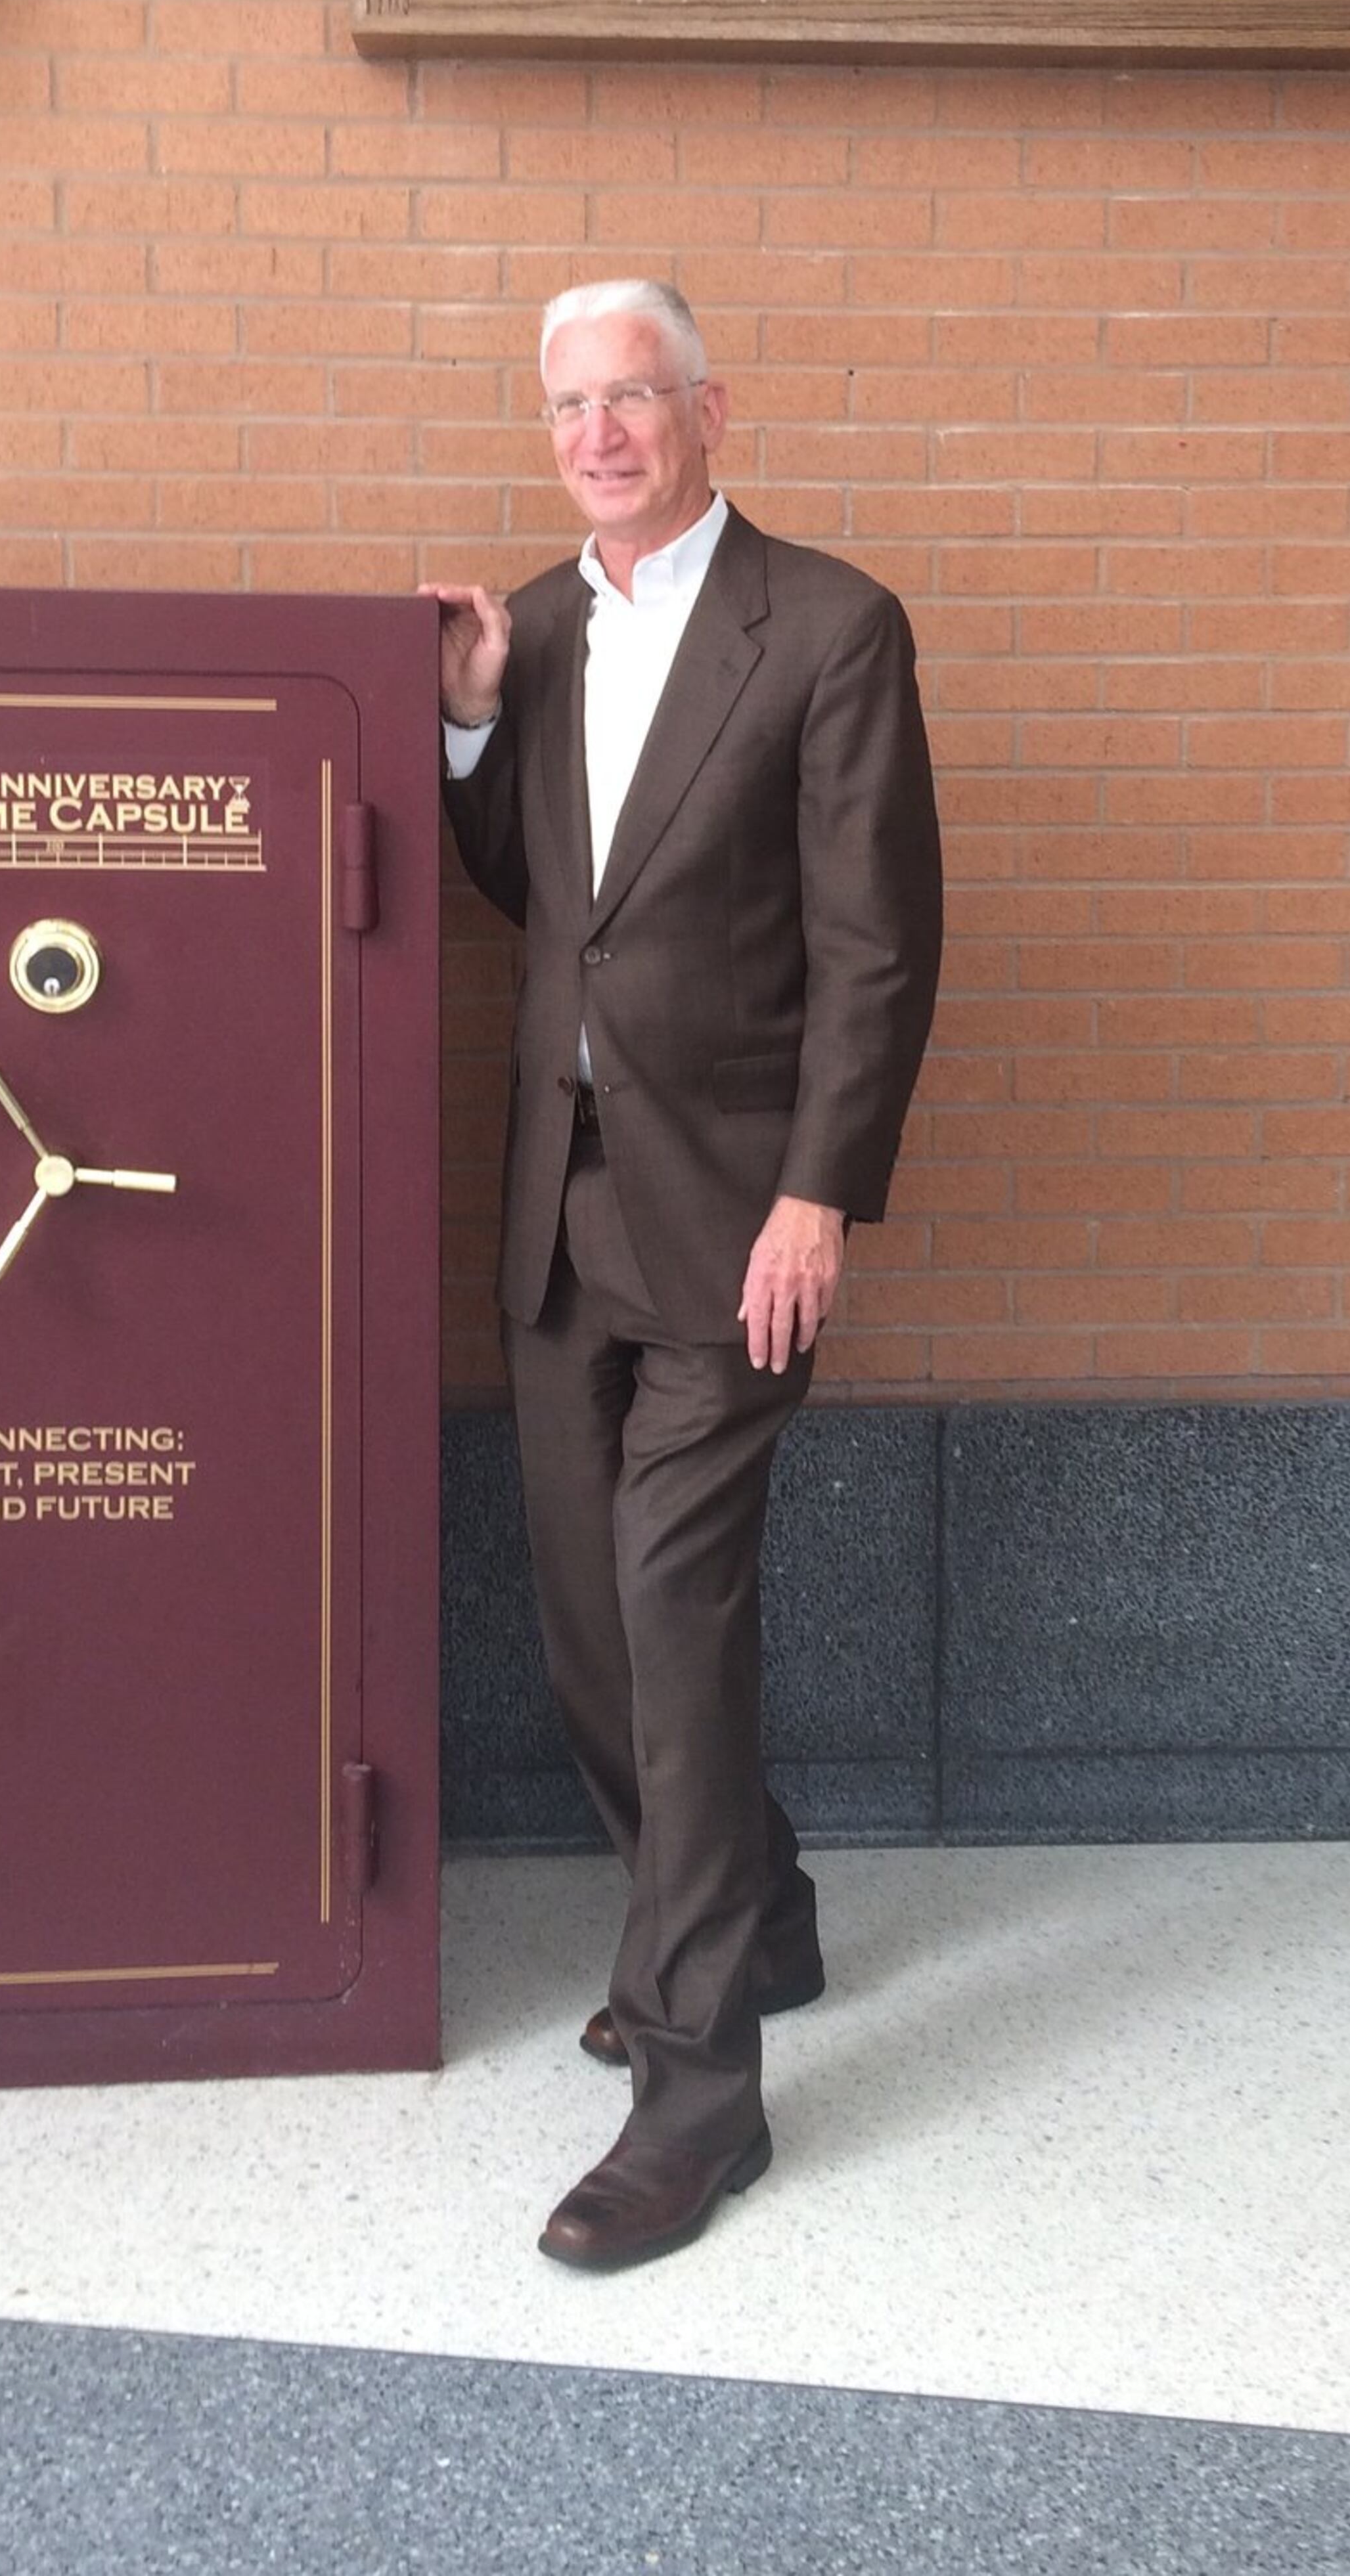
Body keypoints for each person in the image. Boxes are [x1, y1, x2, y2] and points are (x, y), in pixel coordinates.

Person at [423, 278, 942, 2272]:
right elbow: (532, 902)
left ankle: (699, 2087)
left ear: (711, 407)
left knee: (670, 1608)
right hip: (560, 1213)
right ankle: (752, 1910)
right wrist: (469, 718)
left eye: (632, 396)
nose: (598, 433)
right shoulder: (538, 633)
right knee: (585, 1626)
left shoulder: (826, 626)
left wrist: (824, 1193)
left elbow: (877, 942)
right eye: (569, 406)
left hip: (737, 1229)